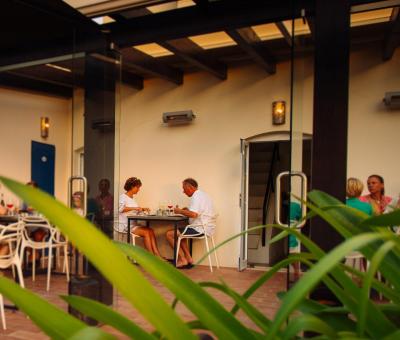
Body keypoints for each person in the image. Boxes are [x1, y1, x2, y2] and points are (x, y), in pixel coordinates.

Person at [166, 178, 215, 268]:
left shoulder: (196, 196)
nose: (183, 192)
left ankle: (182, 259)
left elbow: (193, 214)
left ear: (190, 187)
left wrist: (179, 211)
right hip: (207, 227)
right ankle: (189, 258)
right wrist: (187, 210)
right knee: (181, 234)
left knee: (170, 234)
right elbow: (197, 212)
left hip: (199, 228)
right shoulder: (203, 195)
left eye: (184, 189)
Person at [118, 177, 163, 258]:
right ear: (132, 187)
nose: (139, 189)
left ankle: (157, 255)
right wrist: (135, 208)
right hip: (126, 225)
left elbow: (133, 211)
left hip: (133, 224)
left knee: (151, 230)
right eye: (138, 187)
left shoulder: (132, 199)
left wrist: (142, 209)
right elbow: (120, 209)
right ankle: (151, 257)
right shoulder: (123, 197)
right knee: (146, 232)